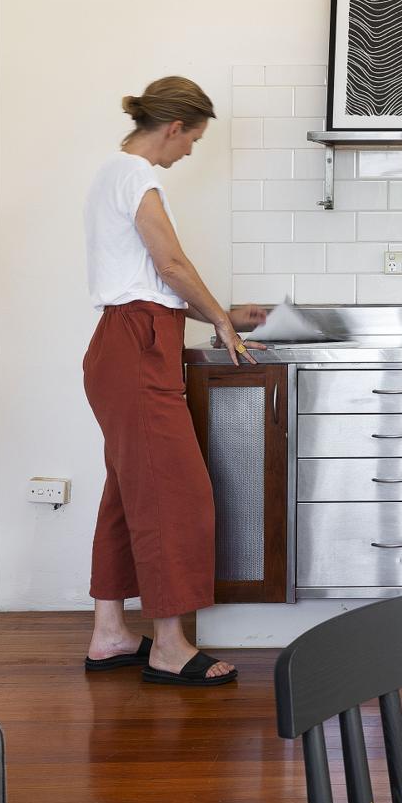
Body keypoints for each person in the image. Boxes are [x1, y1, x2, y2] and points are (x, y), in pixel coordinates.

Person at [80, 76, 268, 686]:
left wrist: (220, 314)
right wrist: (221, 321)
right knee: (174, 495)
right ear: (174, 127)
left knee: (127, 494)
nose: (190, 151)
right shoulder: (137, 176)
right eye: (193, 139)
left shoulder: (111, 173)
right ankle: (168, 647)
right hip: (137, 347)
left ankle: (110, 635)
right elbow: (170, 264)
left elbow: (147, 281)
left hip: (125, 343)